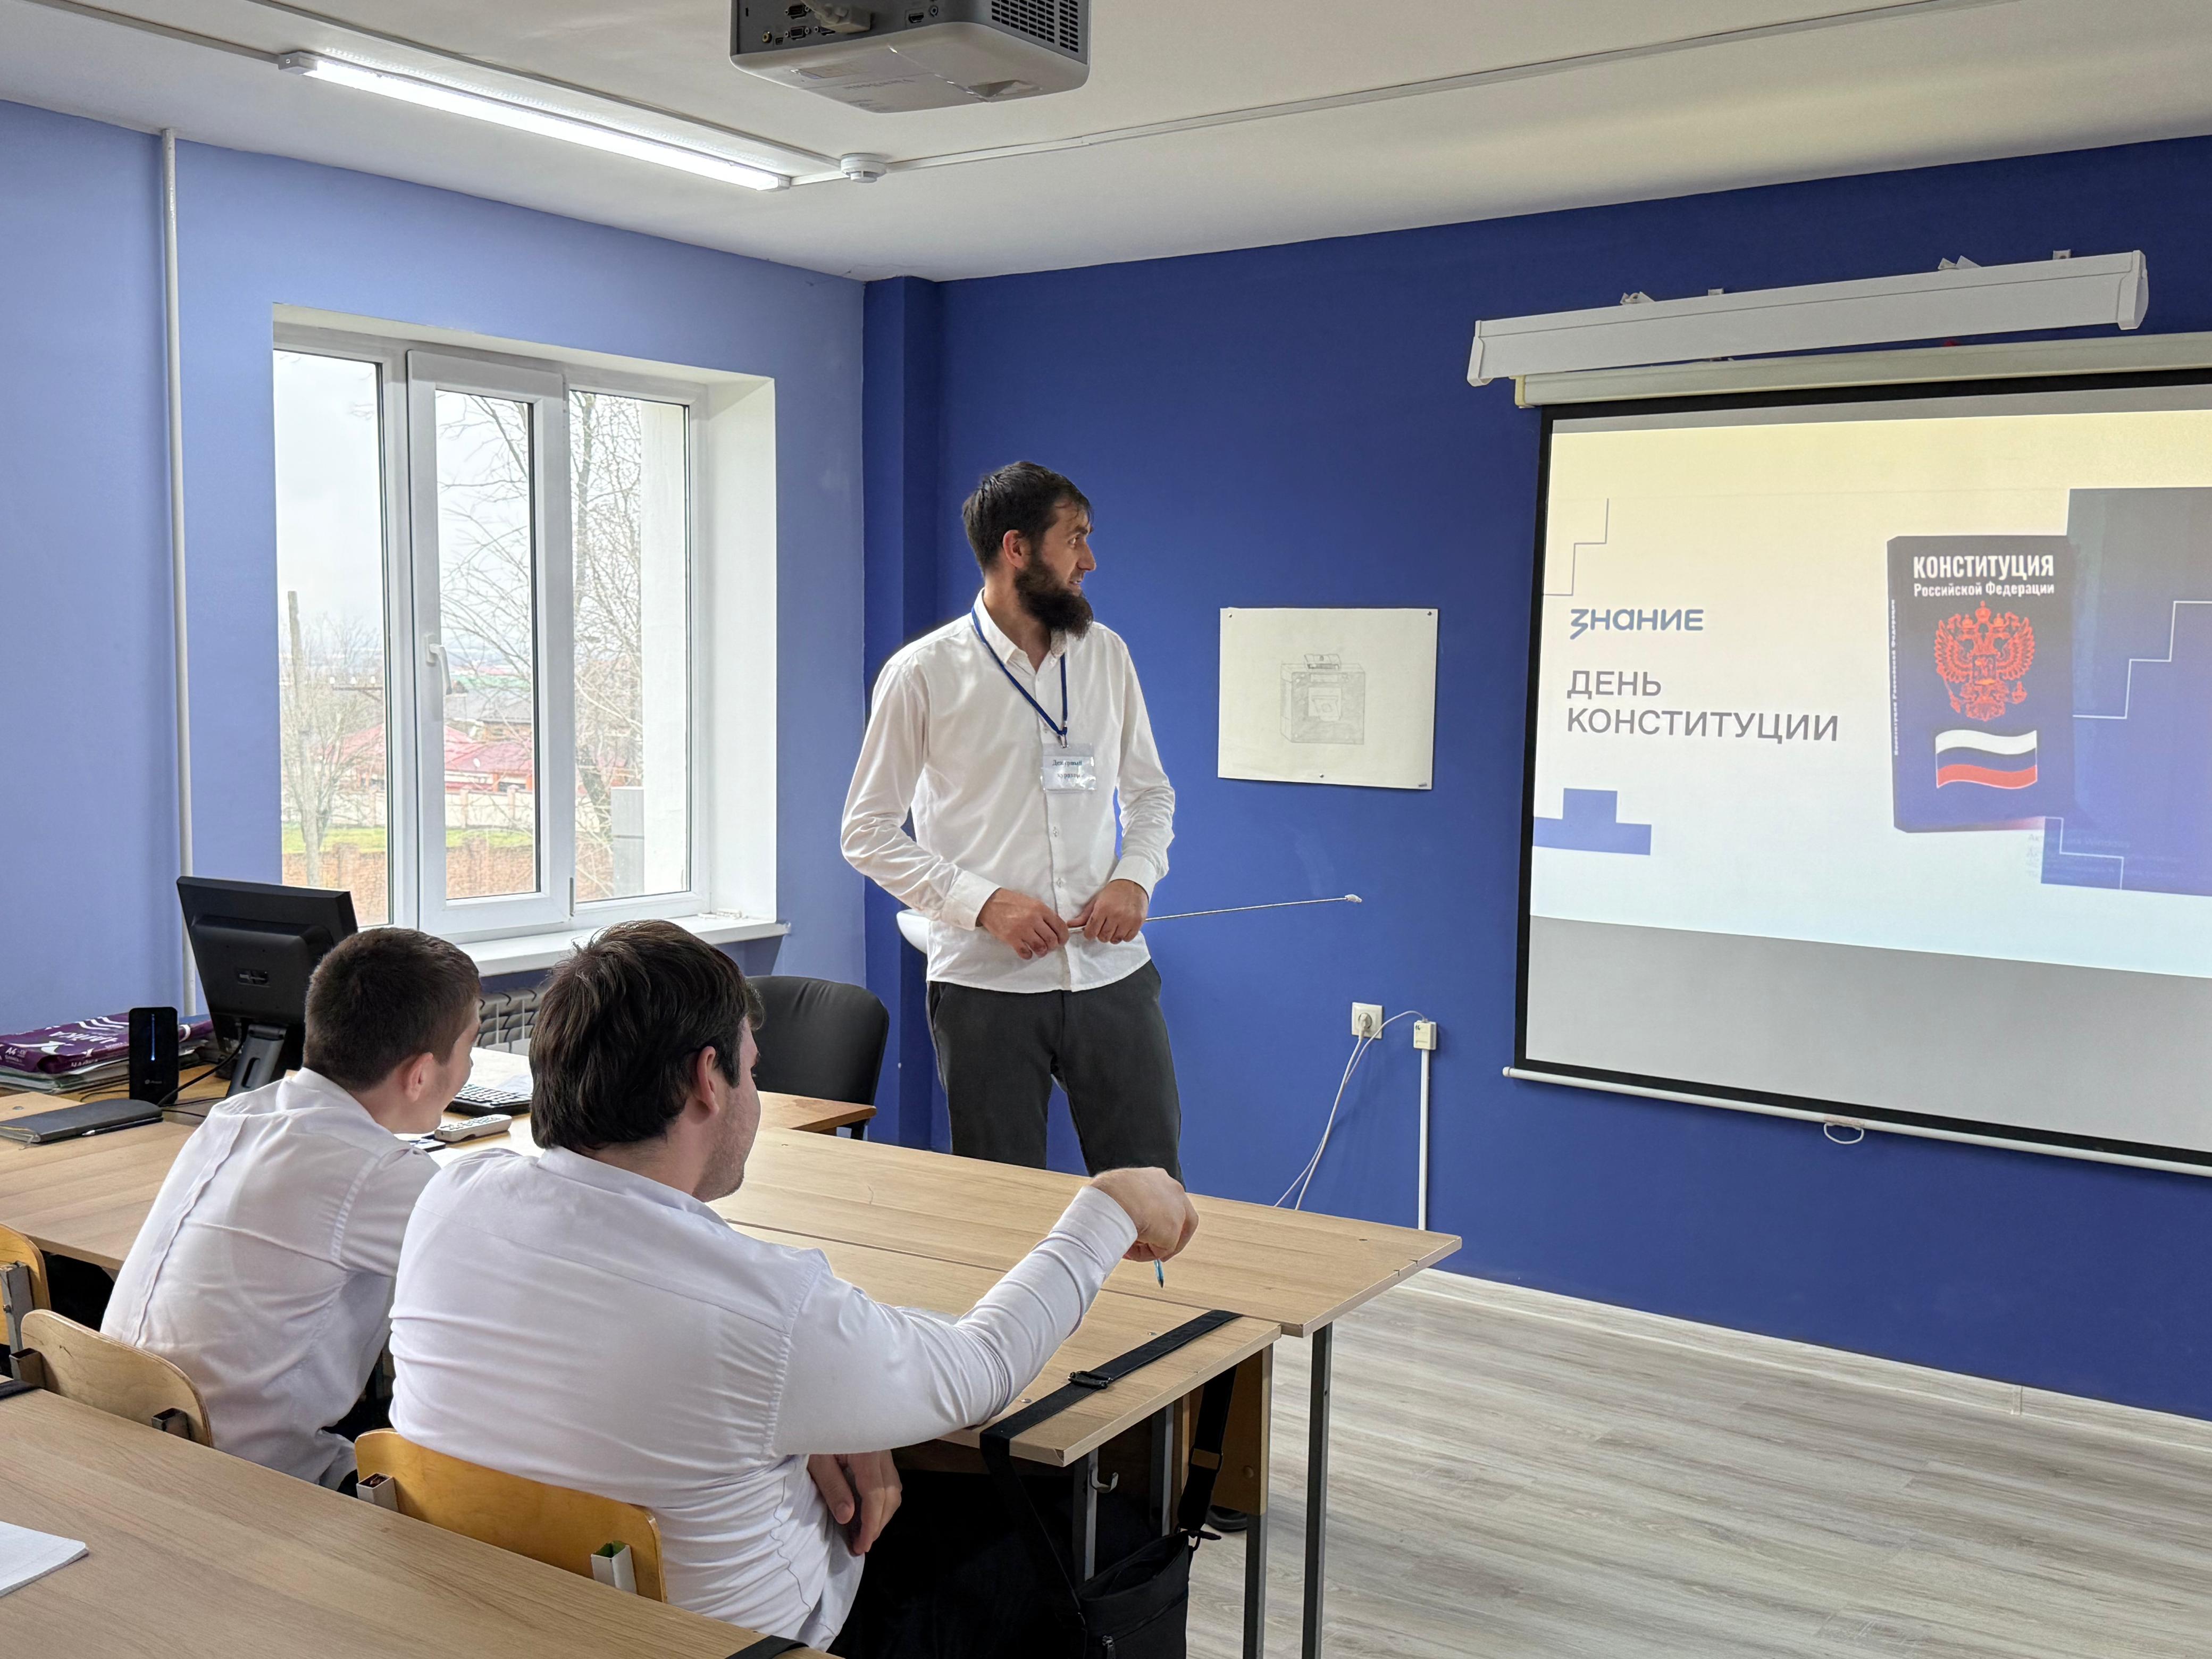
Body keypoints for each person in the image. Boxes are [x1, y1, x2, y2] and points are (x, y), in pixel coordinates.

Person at [387, 919, 1197, 1647]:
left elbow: (644, 1358)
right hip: (738, 1643)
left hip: (487, 1617)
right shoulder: (767, 1311)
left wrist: (811, 1414)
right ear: (706, 1080)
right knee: (1100, 1531)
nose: (754, 1092)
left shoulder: (449, 1201)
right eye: (751, 1070)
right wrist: (1107, 1209)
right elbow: (979, 1371)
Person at [843, 460, 1183, 1177]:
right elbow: (865, 833)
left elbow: (1150, 794)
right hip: (986, 986)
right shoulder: (923, 673)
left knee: (1151, 1189)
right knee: (1000, 1204)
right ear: (1017, 548)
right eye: (1075, 539)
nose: (1090, 561)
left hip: (1110, 975)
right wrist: (984, 903)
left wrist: (1135, 879)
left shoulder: (1106, 656)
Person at [102, 927, 479, 1487]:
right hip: (245, 1486)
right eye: (470, 1048)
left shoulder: (238, 1114)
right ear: (420, 1075)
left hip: (123, 1444)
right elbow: (507, 1286)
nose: (468, 1068)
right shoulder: (379, 1171)